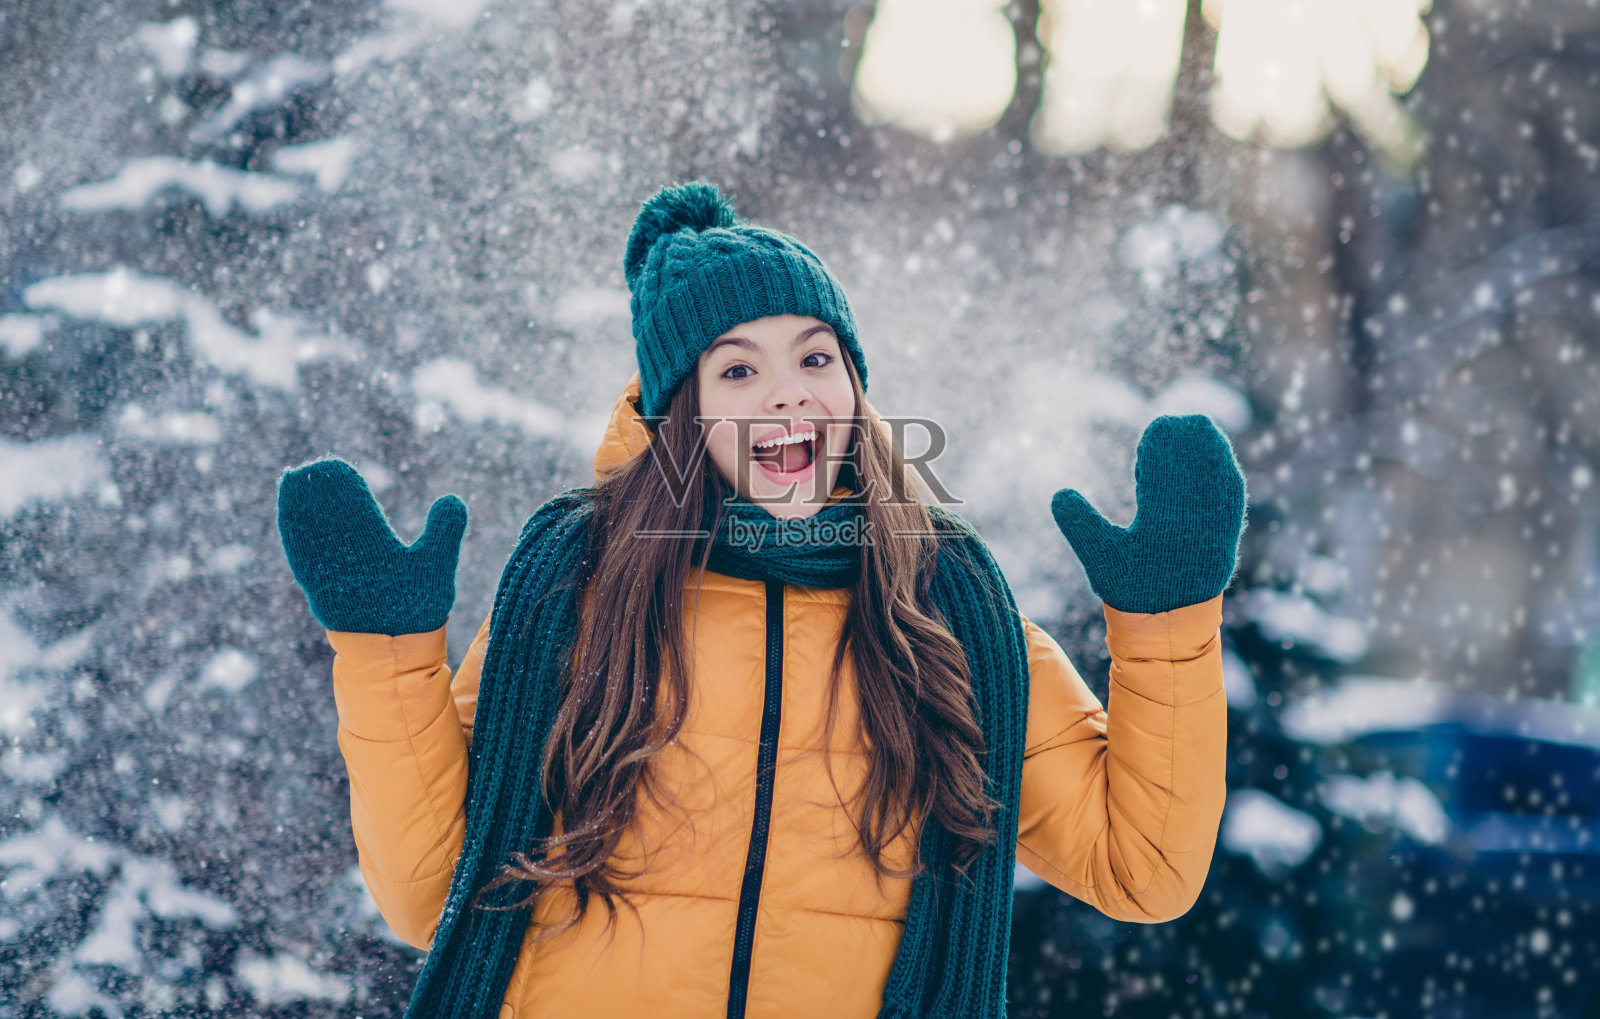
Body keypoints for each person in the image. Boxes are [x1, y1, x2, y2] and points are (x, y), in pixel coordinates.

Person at [275, 182, 1246, 1019]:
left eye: (815, 358)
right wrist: (385, 653)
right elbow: (430, 894)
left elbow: (1144, 865)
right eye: (738, 368)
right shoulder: (578, 586)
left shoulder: (945, 610)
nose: (789, 395)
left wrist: (1164, 625)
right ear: (679, 410)